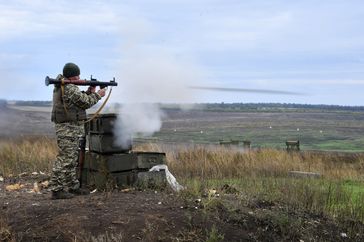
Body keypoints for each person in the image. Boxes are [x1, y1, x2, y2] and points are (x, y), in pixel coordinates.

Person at [50, 62, 106, 199]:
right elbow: (85, 102)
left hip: (71, 129)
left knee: (72, 159)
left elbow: (76, 101)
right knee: (66, 159)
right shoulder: (69, 87)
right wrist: (98, 94)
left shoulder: (65, 86)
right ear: (72, 77)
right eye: (77, 76)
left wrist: (89, 92)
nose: (79, 78)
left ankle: (72, 186)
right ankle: (57, 190)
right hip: (67, 129)